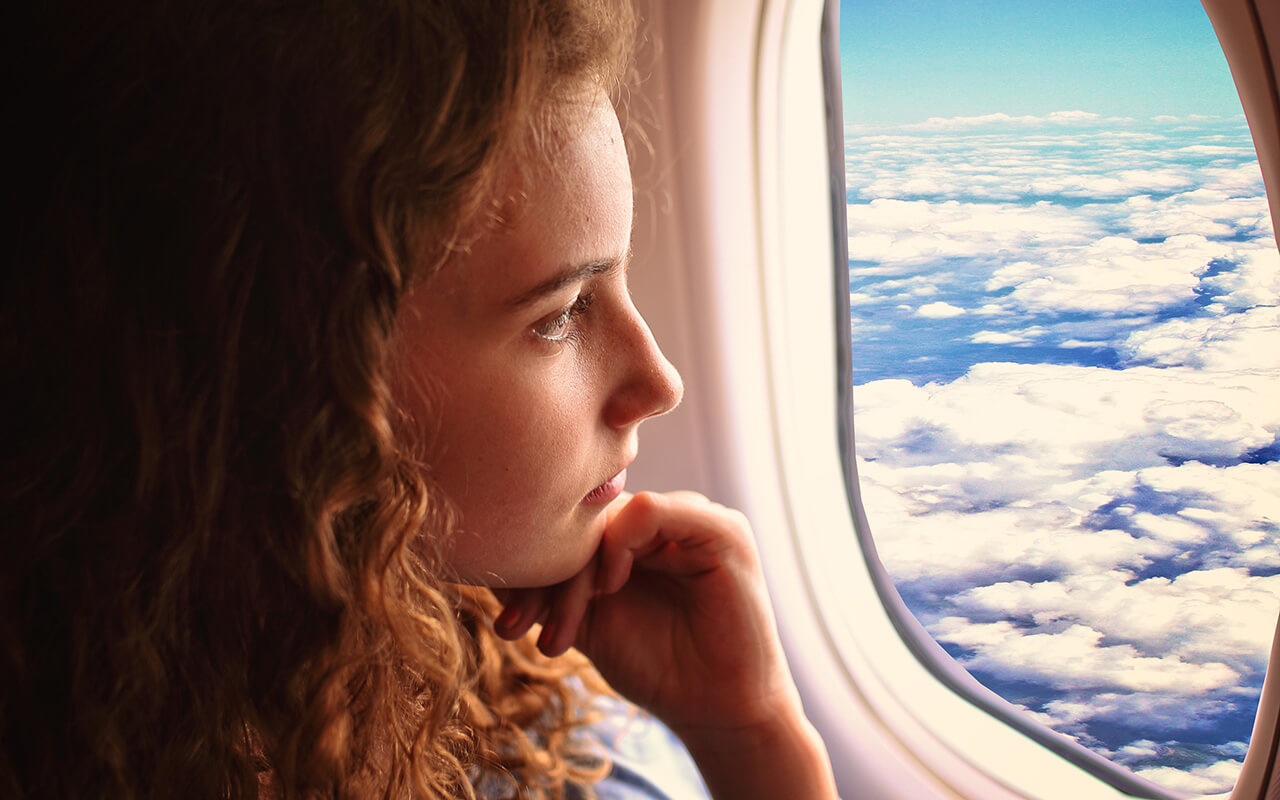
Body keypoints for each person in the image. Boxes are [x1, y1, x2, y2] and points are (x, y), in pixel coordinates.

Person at [1, 0, 839, 798]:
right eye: (560, 316)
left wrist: (751, 733)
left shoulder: (455, 654)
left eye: (614, 280)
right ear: (301, 380)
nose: (659, 383)